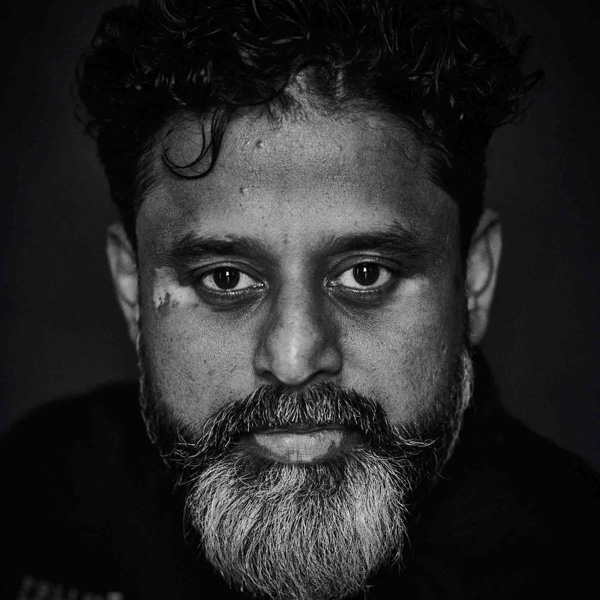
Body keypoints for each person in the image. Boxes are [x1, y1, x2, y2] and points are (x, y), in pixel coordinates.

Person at [1, 0, 598, 598]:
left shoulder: (575, 556)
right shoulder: (40, 492)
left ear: (474, 279)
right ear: (133, 289)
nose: (293, 358)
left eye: (366, 273)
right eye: (226, 279)